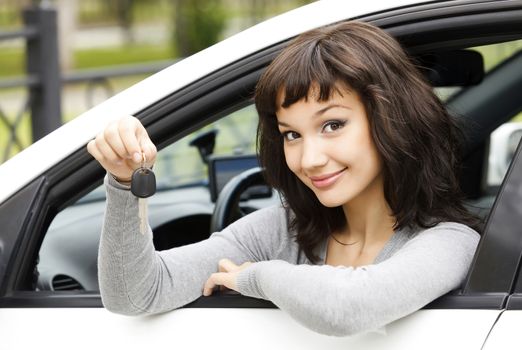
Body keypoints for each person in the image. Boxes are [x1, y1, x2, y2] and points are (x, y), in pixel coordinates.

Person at [87, 21, 481, 336]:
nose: (309, 159)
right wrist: (124, 185)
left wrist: (253, 277)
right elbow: (136, 293)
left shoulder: (450, 242)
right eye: (291, 134)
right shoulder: (282, 231)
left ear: (392, 119)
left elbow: (348, 308)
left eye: (332, 124)